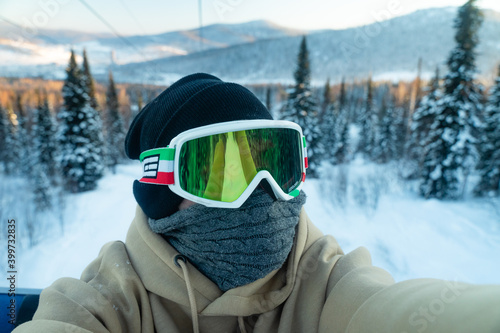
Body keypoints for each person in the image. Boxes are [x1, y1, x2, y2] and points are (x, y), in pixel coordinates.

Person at [14, 73, 500, 333]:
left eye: (276, 162)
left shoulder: (324, 280)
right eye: (222, 171)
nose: (262, 191)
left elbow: (387, 311)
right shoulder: (112, 299)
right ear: (162, 188)